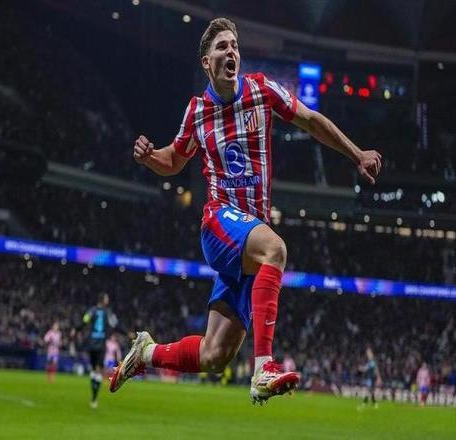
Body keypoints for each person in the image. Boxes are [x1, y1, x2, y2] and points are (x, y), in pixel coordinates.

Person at [110, 17, 382, 404]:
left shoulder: (261, 90)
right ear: (207, 62)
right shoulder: (197, 111)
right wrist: (150, 157)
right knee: (276, 249)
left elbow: (310, 120)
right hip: (219, 224)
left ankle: (146, 353)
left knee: (215, 355)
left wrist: (357, 154)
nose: (231, 52)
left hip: (250, 236)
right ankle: (264, 367)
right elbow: (173, 160)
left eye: (234, 46)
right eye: (222, 46)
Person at [83, 292, 117, 408]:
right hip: (101, 344)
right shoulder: (108, 312)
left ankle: (93, 397)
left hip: (91, 343)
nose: (108, 300)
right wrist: (126, 333)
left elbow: (84, 320)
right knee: (99, 371)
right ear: (103, 300)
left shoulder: (92, 310)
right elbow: (115, 325)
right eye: (107, 298)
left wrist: (76, 329)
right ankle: (94, 398)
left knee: (93, 371)